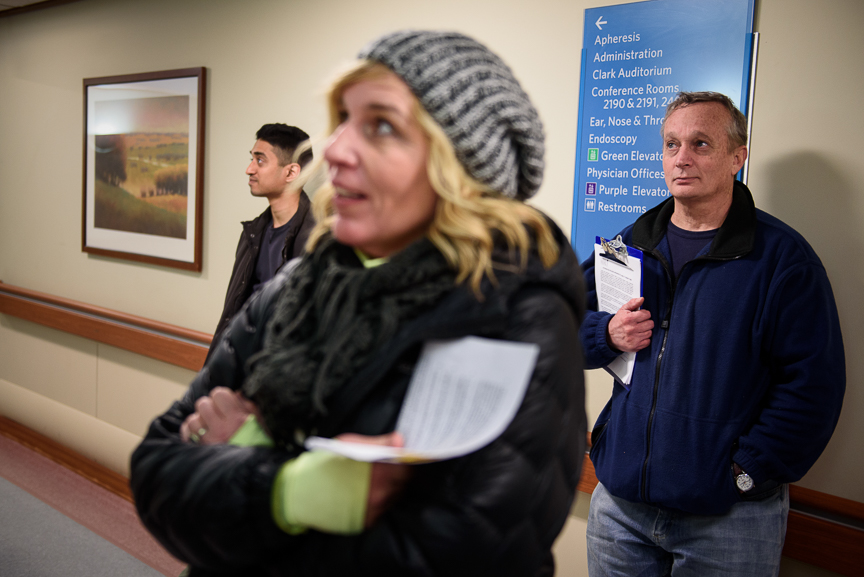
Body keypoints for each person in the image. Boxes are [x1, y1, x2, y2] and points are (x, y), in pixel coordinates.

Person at [131, 30, 586, 577]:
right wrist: (288, 490)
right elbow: (155, 472)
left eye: (383, 126)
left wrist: (236, 467)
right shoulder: (297, 288)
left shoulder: (514, 317)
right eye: (344, 120)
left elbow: (458, 553)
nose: (337, 149)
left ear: (461, 170)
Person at [580, 91, 845, 576]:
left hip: (728, 520)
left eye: (700, 144)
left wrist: (745, 473)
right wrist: (607, 334)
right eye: (671, 144)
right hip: (620, 510)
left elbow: (813, 387)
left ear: (737, 157)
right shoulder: (631, 245)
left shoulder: (783, 261)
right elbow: (559, 323)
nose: (681, 158)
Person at [207, 123, 316, 360]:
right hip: (240, 365)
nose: (249, 169)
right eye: (252, 159)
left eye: (260, 160)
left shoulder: (317, 240)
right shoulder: (253, 233)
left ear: (291, 172)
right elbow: (234, 312)